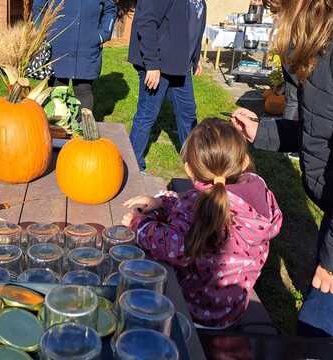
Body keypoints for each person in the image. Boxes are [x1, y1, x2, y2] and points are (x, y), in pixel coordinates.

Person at [231, 0, 333, 337]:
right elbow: (315, 132)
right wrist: (262, 132)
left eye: (277, 9)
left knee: (315, 334)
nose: (274, 17)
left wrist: (331, 260)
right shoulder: (316, 52)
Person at [122, 118, 283, 328]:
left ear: (189, 169)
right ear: (243, 161)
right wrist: (164, 202)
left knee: (131, 286)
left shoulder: (195, 204)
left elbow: (173, 248)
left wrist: (140, 224)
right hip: (232, 308)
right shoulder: (258, 191)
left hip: (194, 309)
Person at [127, 0, 207, 172]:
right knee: (148, 113)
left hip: (180, 66)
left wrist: (195, 57)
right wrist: (152, 64)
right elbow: (146, 21)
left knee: (188, 113)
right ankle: (133, 165)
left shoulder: (200, 1)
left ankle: (195, 163)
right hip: (158, 64)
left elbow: (193, 28)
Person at [32, 0, 117, 114]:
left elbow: (110, 9)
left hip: (86, 48)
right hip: (57, 47)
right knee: (57, 91)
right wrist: (43, 32)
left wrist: (103, 35)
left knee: (83, 90)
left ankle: (83, 129)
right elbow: (38, 7)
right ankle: (56, 130)